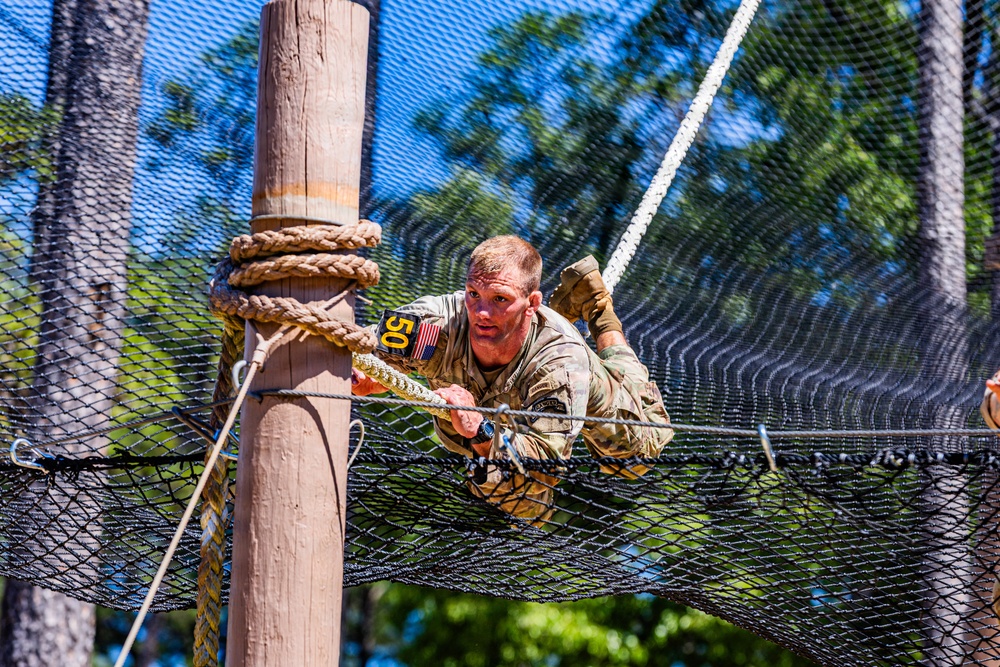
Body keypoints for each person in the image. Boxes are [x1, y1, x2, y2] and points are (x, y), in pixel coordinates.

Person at [352, 236, 673, 521]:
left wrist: (480, 430)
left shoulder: (561, 367)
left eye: (500, 299)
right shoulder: (435, 322)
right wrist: (359, 376)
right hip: (507, 409)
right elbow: (375, 366)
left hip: (569, 384)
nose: (481, 312)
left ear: (532, 303)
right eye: (473, 293)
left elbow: (537, 484)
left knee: (636, 457)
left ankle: (599, 311)